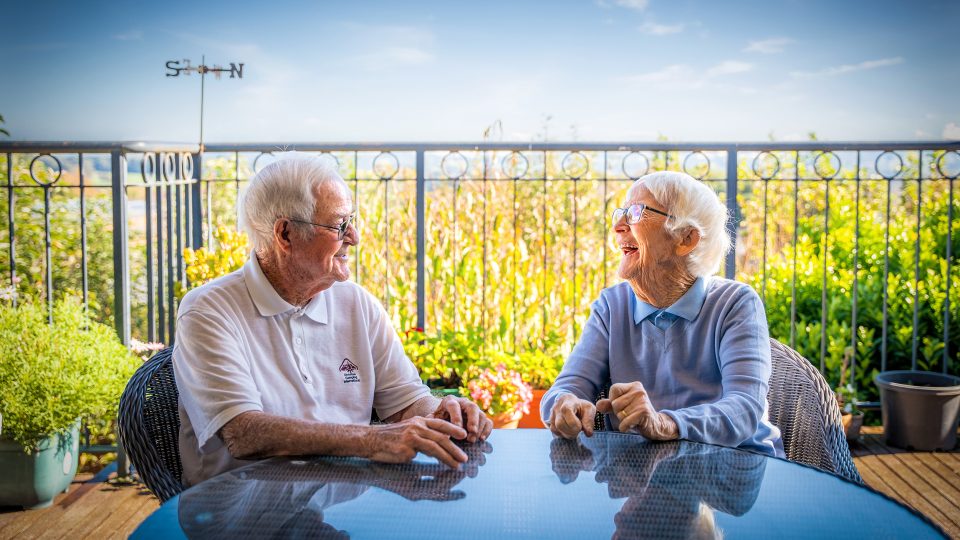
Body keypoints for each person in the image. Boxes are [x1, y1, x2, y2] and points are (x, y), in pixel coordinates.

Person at [174, 154, 493, 487]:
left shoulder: (357, 304)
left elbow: (405, 402)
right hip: (239, 512)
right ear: (285, 234)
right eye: (340, 225)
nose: (354, 236)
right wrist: (374, 439)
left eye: (351, 221)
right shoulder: (209, 311)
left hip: (341, 503)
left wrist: (440, 411)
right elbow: (243, 432)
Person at [541, 171, 783, 457]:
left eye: (635, 212)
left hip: (734, 472)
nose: (618, 226)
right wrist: (564, 403)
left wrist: (665, 423)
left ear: (685, 238)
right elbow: (567, 386)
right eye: (621, 213)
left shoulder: (734, 303)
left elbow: (744, 409)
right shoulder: (611, 307)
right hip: (643, 471)